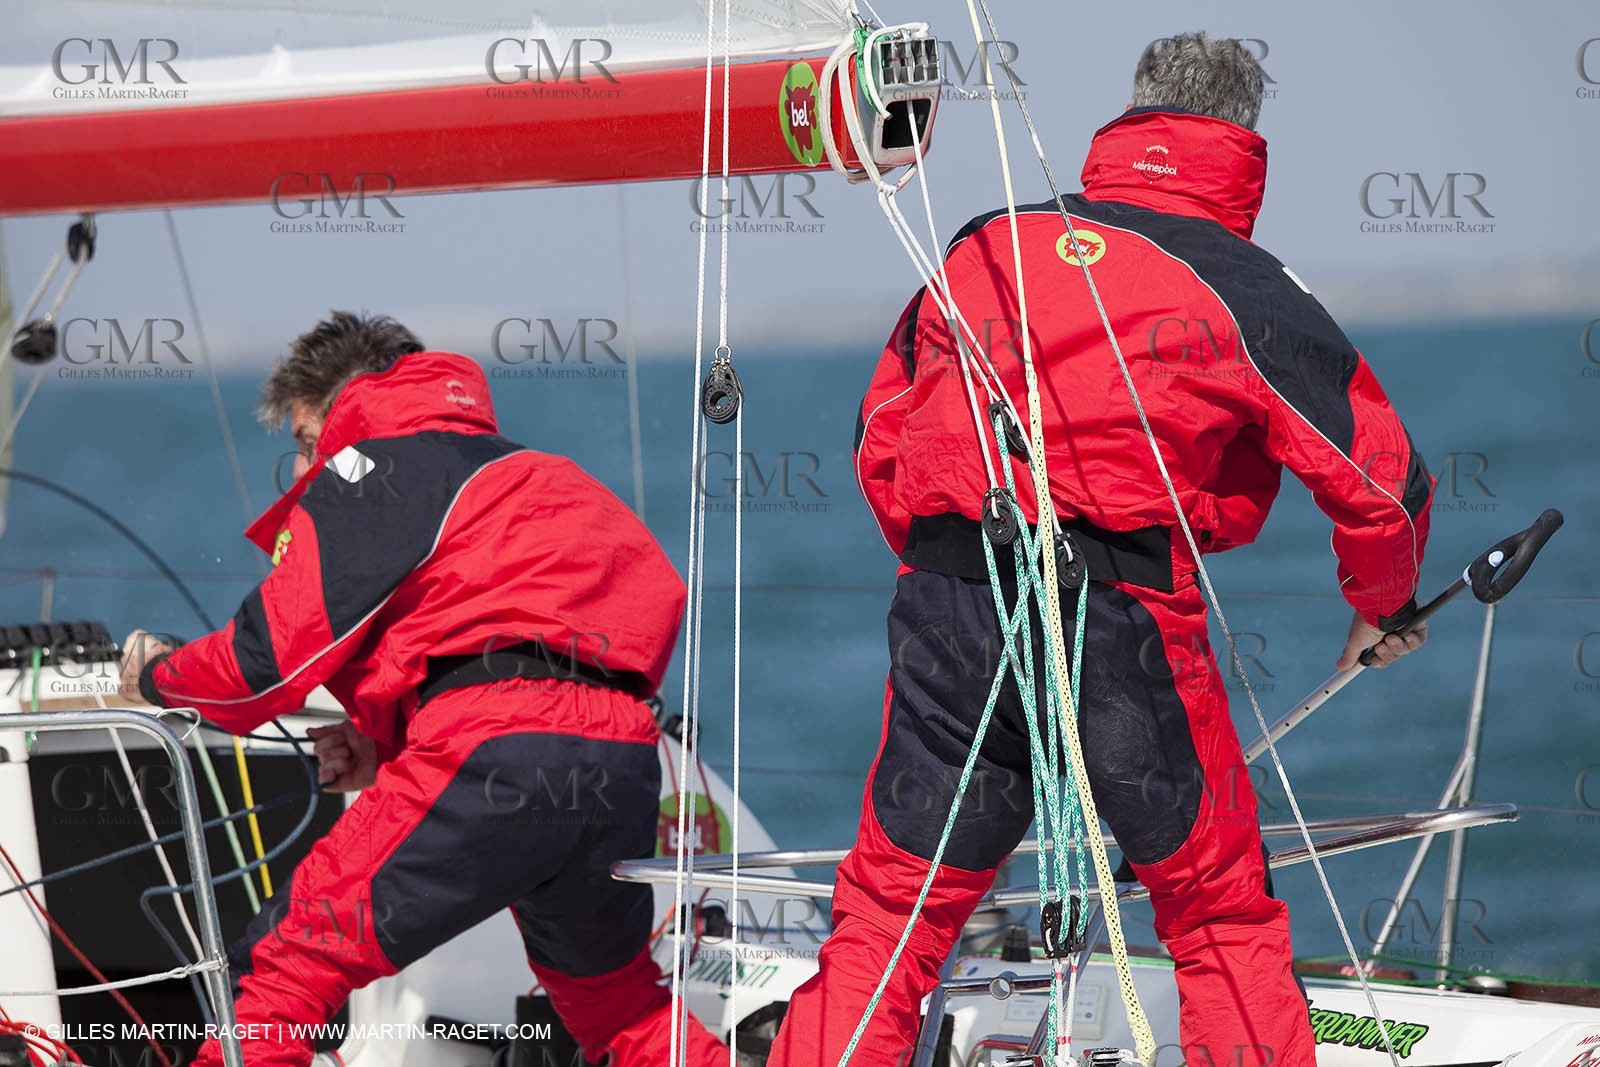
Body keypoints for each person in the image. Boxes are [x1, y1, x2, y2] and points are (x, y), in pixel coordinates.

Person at [769, 33, 1433, 1067]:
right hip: (1121, 622)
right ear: (1244, 144)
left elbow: (879, 436)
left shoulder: (983, 244)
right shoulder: (1244, 285)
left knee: (892, 910)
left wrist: (944, 561)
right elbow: (1379, 482)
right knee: (1215, 913)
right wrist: (1378, 603)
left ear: (1130, 118)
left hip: (953, 601)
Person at [119, 311, 727, 1067]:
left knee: (283, 962)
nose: (309, 466)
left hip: (494, 752)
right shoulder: (543, 475)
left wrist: (155, 676)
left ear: (345, 406)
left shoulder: (370, 466)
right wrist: (389, 743)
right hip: (622, 757)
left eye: (308, 441)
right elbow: (522, 643)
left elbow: (260, 668)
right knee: (621, 1006)